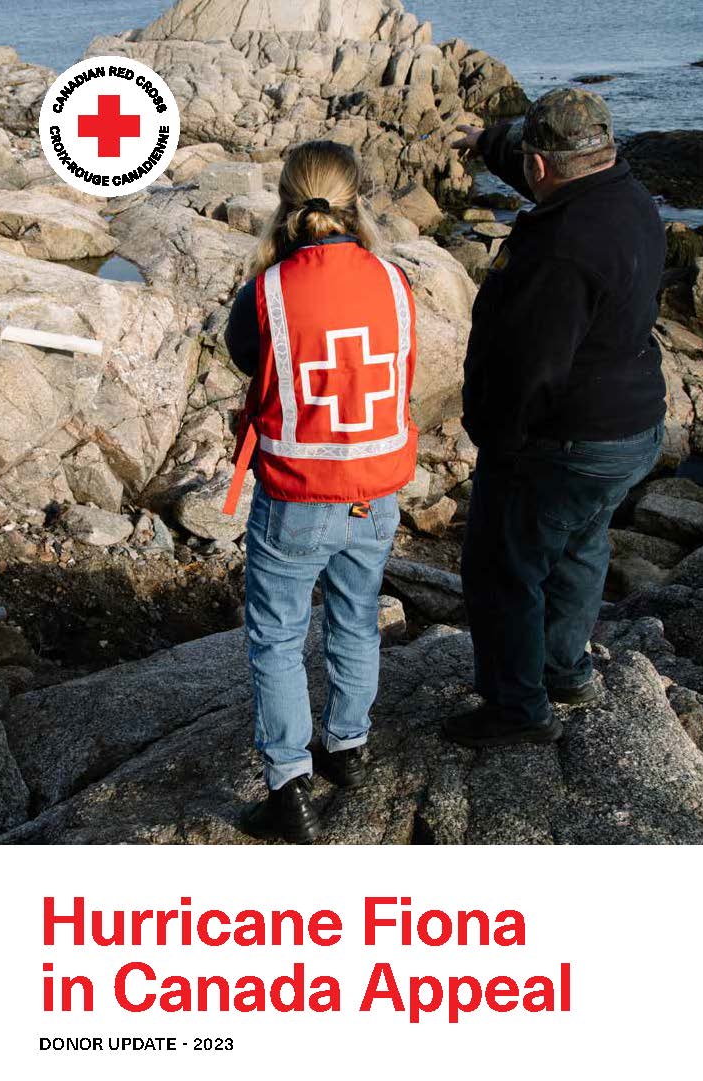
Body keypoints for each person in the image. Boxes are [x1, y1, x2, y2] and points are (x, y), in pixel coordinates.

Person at [443, 88, 667, 750]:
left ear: (541, 168)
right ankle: (566, 672)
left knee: (502, 567)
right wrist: (484, 142)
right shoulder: (625, 196)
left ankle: (518, 709)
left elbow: (527, 366)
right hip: (632, 427)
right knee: (579, 545)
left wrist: (497, 440)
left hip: (568, 438)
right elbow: (544, 174)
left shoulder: (561, 247)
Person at [222, 140, 418, 842]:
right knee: (357, 617)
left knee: (277, 637)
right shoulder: (394, 281)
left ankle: (287, 785)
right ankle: (348, 748)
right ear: (356, 197)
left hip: (298, 494)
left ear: (285, 200)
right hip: (374, 492)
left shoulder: (269, 290)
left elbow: (245, 354)